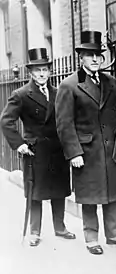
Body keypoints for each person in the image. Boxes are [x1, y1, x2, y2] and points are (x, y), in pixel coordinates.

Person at [55, 30, 116, 255]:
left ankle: (115, 233)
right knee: (90, 194)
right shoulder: (70, 85)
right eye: (89, 55)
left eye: (98, 55)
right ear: (81, 57)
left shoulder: (110, 82)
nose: (95, 59)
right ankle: (91, 237)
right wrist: (74, 153)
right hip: (87, 150)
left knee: (113, 190)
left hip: (111, 147)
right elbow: (64, 123)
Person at [0, 48, 75, 246]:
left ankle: (60, 227)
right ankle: (34, 232)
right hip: (35, 151)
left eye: (45, 69)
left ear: (50, 71)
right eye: (37, 70)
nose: (42, 74)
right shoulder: (21, 94)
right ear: (31, 72)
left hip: (58, 149)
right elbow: (6, 121)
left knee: (59, 189)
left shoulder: (58, 93)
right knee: (35, 192)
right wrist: (20, 145)